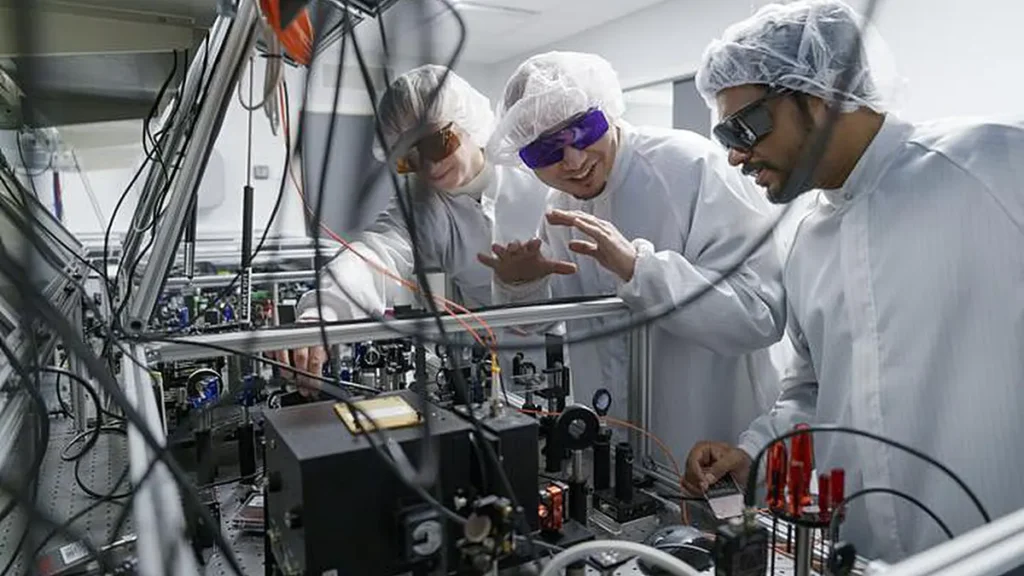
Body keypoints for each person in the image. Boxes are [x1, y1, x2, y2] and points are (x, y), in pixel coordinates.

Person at [684, 0, 1024, 563]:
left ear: (821, 95)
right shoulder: (807, 241)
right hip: (859, 555)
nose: (737, 155)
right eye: (725, 137)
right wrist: (756, 455)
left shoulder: (994, 164)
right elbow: (813, 393)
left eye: (743, 127)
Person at [478, 51, 786, 466]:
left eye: (584, 130)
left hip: (711, 440)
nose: (573, 162)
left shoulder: (693, 167)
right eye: (545, 151)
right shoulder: (560, 208)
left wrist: (641, 270)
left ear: (607, 110)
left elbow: (760, 314)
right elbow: (543, 331)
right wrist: (521, 287)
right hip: (611, 447)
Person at [277, 65, 550, 390]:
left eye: (437, 144)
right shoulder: (425, 202)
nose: (430, 167)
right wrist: (322, 312)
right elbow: (377, 254)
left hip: (575, 342)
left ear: (467, 123)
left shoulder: (534, 168)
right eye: (410, 159)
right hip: (499, 363)